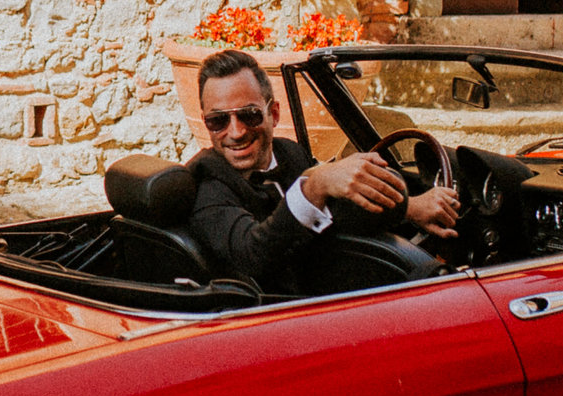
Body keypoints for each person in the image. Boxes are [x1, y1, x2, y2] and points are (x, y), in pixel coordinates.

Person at [184, 47, 460, 284]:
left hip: (332, 291)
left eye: (249, 115)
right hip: (280, 318)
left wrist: (411, 208)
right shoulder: (205, 182)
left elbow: (340, 211)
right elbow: (253, 254)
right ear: (206, 122)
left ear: (274, 113)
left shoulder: (289, 152)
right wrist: (313, 186)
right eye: (218, 120)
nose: (236, 132)